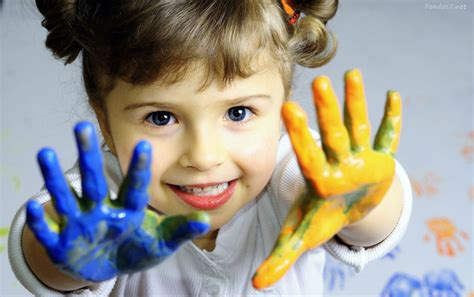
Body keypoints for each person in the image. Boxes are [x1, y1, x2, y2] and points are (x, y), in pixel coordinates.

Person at [8, 0, 412, 296]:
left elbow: (371, 224)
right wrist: (68, 257)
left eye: (238, 112)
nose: (203, 156)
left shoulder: (297, 176)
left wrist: (367, 203)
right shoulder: (108, 204)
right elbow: (41, 245)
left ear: (283, 106)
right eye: (161, 118)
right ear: (105, 121)